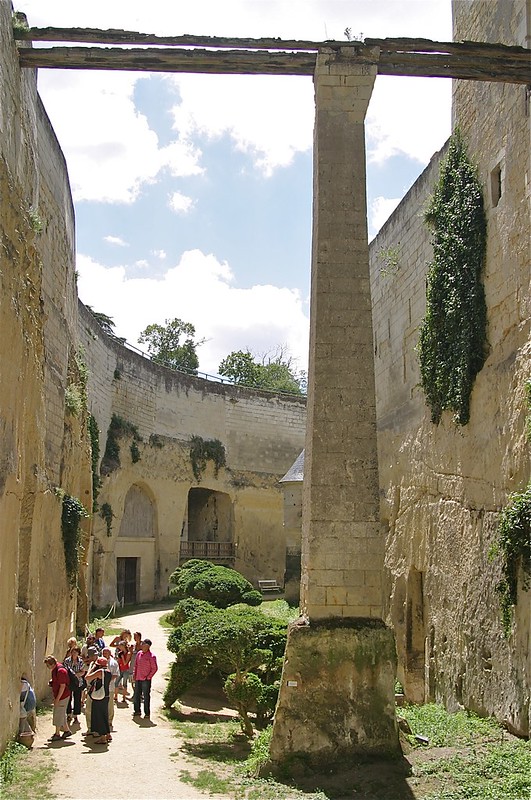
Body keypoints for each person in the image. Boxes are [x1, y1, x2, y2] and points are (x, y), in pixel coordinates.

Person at [44, 655, 72, 740]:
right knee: (61, 713)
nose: (47, 667)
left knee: (58, 713)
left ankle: (57, 733)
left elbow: (62, 686)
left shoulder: (60, 671)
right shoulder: (56, 669)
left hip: (63, 696)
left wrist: (57, 699)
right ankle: (66, 731)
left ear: (52, 664)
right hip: (61, 695)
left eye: (48, 665)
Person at [85, 656, 112, 744]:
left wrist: (92, 668)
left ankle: (103, 737)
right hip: (106, 695)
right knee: (105, 715)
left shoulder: (100, 672)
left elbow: (87, 677)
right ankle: (108, 734)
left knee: (99, 716)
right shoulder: (108, 671)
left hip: (99, 697)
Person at [133, 638, 158, 720]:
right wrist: (134, 674)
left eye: (143, 644)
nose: (141, 645)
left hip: (146, 679)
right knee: (137, 695)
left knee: (146, 696)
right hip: (138, 678)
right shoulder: (139, 654)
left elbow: (154, 668)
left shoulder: (151, 656)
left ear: (147, 646)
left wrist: (148, 677)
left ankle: (147, 713)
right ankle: (137, 710)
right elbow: (136, 665)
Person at [64, 645, 85, 724]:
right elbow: (65, 670)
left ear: (78, 653)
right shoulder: (67, 661)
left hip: (78, 682)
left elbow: (83, 671)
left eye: (75, 652)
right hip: (69, 682)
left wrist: (76, 674)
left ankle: (76, 715)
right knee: (68, 698)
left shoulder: (80, 661)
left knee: (77, 698)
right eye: (72, 652)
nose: (73, 653)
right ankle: (68, 714)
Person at [102, 647, 119, 728]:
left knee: (110, 704)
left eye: (105, 653)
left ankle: (109, 720)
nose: (104, 655)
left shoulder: (113, 663)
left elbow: (115, 674)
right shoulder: (100, 661)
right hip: (101, 687)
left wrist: (107, 680)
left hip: (110, 687)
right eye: (103, 653)